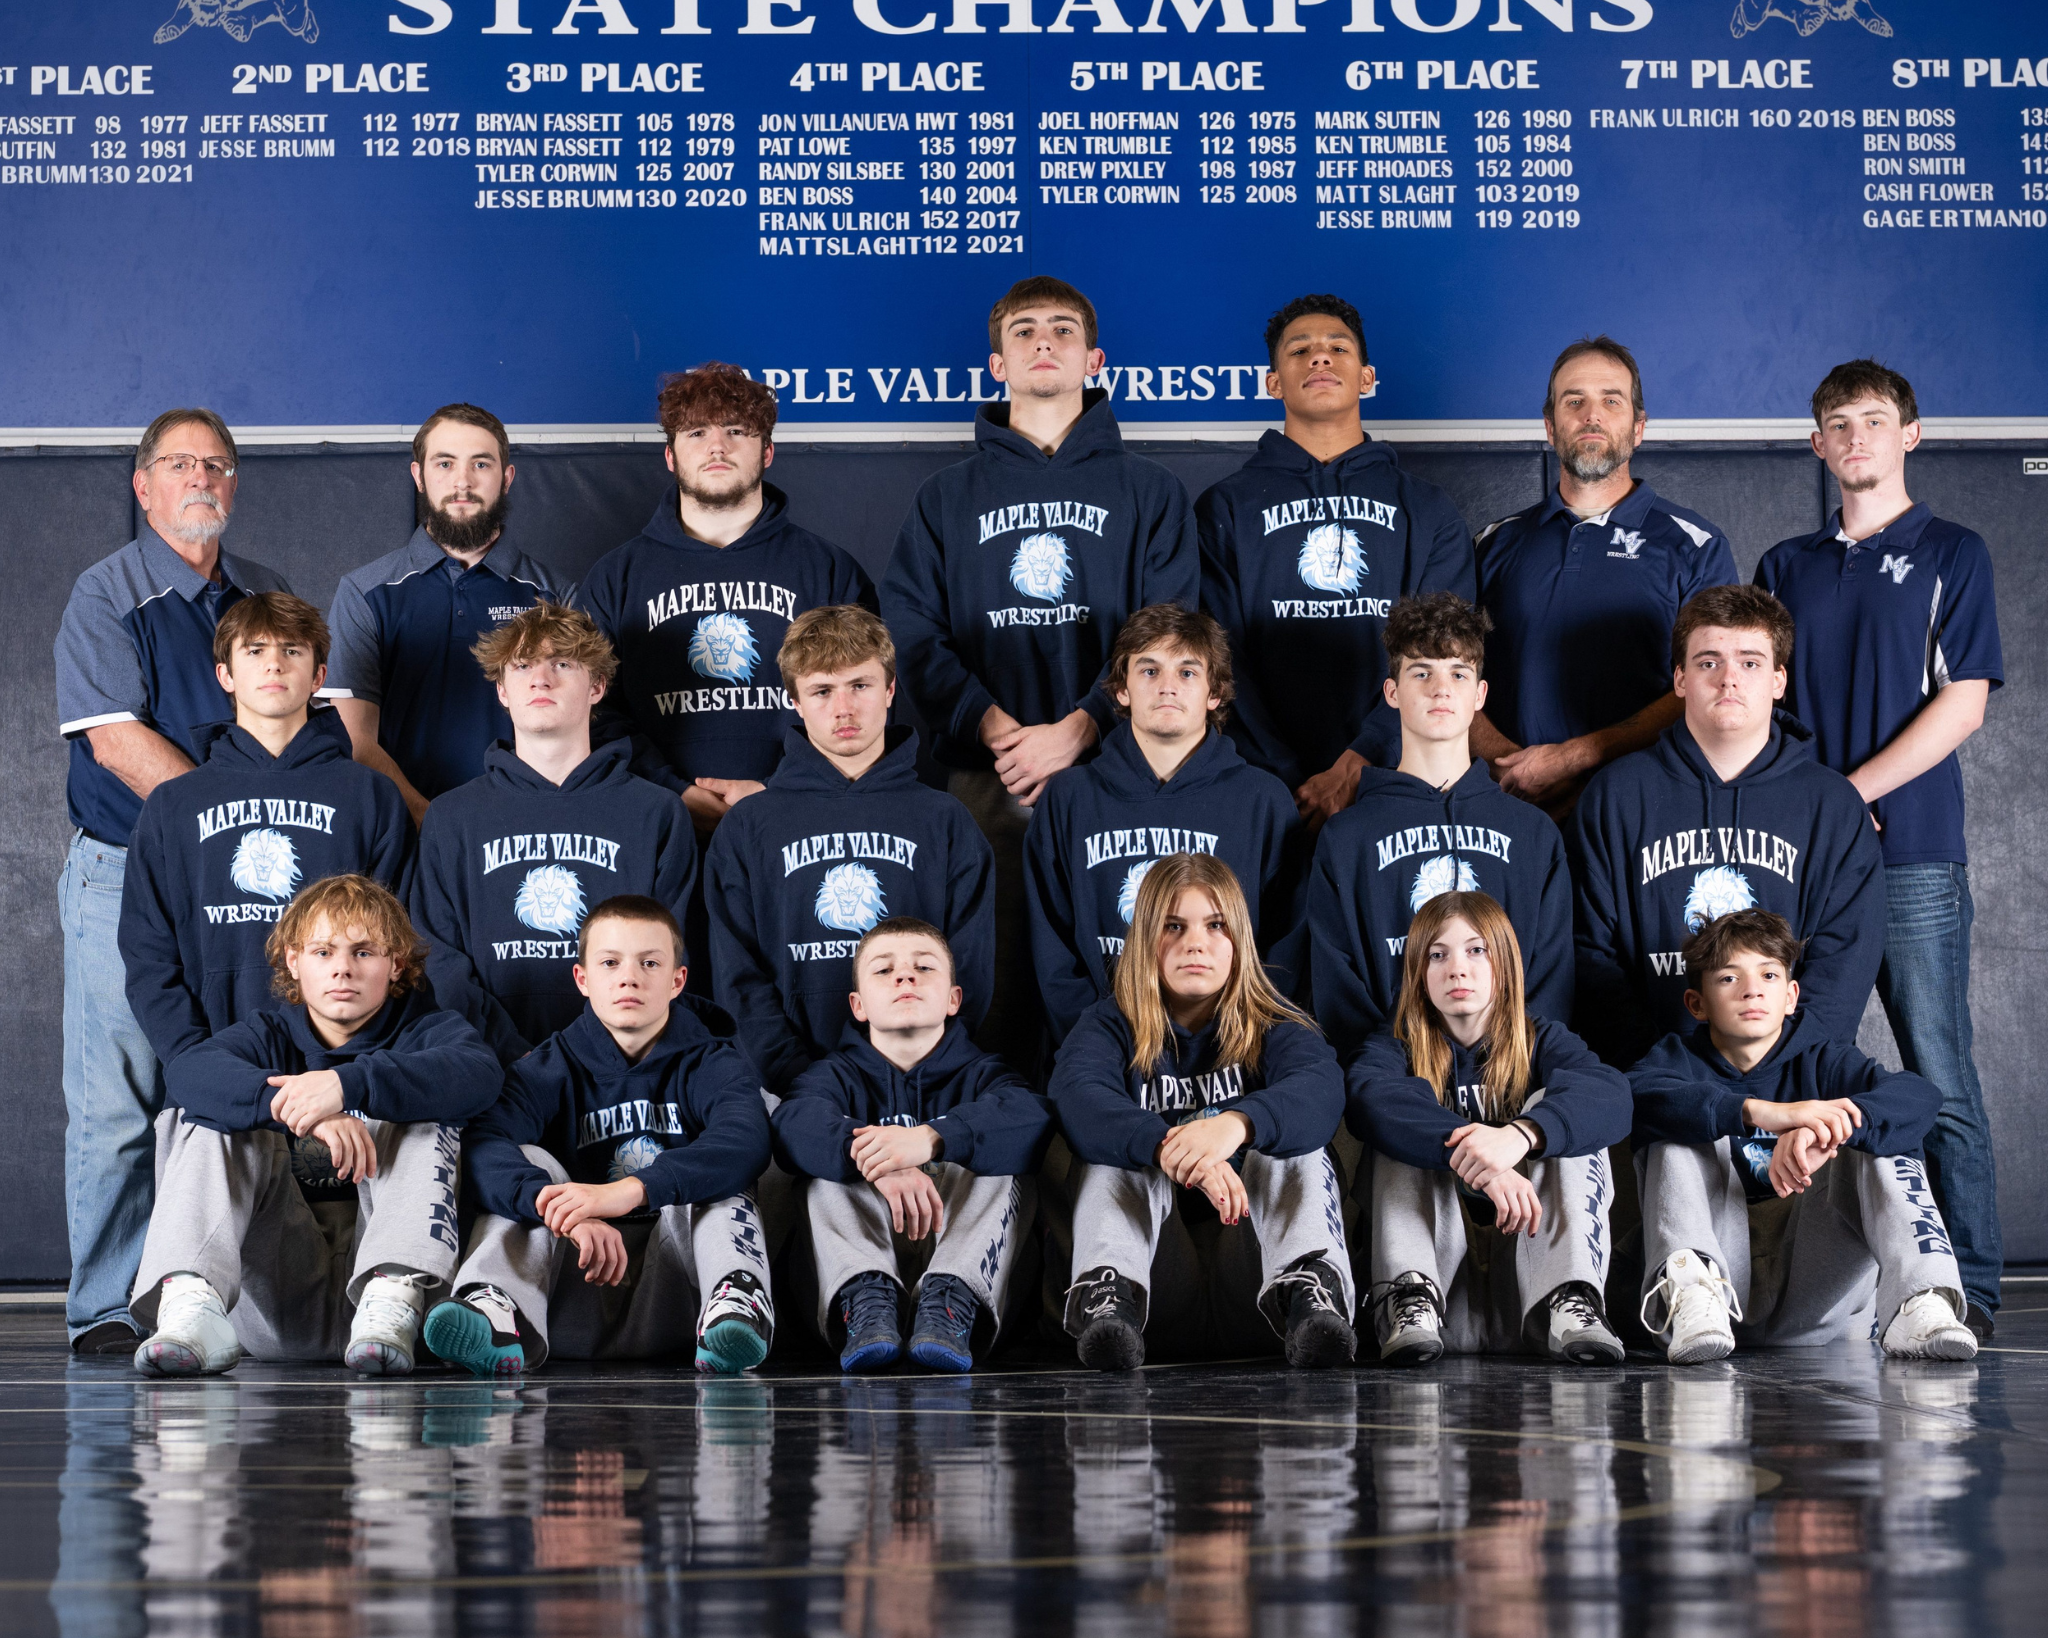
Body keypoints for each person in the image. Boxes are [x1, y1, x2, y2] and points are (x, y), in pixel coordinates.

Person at [881, 276, 1199, 1067]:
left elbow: (1167, 630)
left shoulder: (1152, 493)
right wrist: (998, 730)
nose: (1044, 341)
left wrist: (1082, 728)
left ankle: (1123, 1126)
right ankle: (995, 1136)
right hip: (988, 778)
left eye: (1063, 329)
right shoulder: (945, 498)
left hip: (1121, 772)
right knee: (992, 987)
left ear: (1095, 359)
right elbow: (913, 633)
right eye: (1024, 331)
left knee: (1122, 973)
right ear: (998, 364)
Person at [1754, 358, 2004, 1341]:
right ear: (1816, 445)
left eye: (1872, 419)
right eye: (1837, 423)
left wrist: (1851, 791)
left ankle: (1970, 1288)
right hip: (1806, 862)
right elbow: (1762, 707)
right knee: (1793, 1062)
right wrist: (1816, 807)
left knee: (1937, 1070)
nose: (1855, 436)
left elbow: (1963, 702)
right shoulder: (1784, 566)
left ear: (1910, 433)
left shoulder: (1952, 551)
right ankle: (1792, 1284)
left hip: (1912, 856)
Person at [54, 407, 294, 1355]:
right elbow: (118, 745)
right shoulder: (105, 594)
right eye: (180, 464)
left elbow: (297, 725)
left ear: (234, 484)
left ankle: (224, 1302)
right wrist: (239, 816)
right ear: (143, 485)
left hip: (248, 881)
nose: (201, 478)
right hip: (128, 873)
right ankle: (109, 1308)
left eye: (218, 465)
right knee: (120, 1102)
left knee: (239, 1077)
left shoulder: (266, 592)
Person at [127, 876, 502, 1376]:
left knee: (424, 1108)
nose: (343, 968)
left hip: (405, 1313)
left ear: (396, 964)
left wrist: (347, 1085)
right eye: (323, 952)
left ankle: (392, 1293)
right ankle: (191, 1307)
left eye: (363, 952)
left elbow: (480, 1076)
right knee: (206, 1117)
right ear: (293, 961)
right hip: (280, 1302)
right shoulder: (267, 1036)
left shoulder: (431, 1031)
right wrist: (305, 1108)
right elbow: (188, 1073)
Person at [423, 896, 776, 1377]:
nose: (629, 978)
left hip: (681, 1292)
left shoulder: (715, 1062)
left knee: (721, 1174)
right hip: (573, 1282)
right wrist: (559, 1209)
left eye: (649, 963)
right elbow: (483, 1143)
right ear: (582, 978)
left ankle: (736, 1305)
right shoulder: (546, 1067)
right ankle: (495, 1311)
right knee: (529, 1166)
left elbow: (745, 1141)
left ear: (677, 980)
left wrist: (628, 1191)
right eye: (610, 963)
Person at [1048, 854, 1355, 1371]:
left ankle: (1311, 1293)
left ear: (1239, 941)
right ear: (1145, 940)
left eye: (1215, 926)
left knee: (1295, 1141)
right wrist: (1169, 1147)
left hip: (1260, 1291)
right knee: (1111, 1151)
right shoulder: (1108, 1025)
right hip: (1152, 1294)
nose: (1195, 943)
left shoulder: (1275, 1023)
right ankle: (1107, 1295)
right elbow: (1077, 1095)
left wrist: (1234, 1126)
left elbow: (1320, 1090)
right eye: (1174, 926)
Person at [1629, 909, 1977, 1363]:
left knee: (1873, 1130)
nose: (1752, 989)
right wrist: (1762, 1113)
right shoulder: (1674, 1060)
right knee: (1675, 1126)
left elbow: (1919, 1096)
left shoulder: (1824, 1059)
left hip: (1814, 1289)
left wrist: (1824, 1131)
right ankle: (1692, 1293)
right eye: (1729, 978)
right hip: (1715, 1296)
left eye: (1769, 975)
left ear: (1791, 995)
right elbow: (1635, 1095)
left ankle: (1921, 1299)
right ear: (1697, 1004)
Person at [1571, 584, 1885, 1069]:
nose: (1728, 680)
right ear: (1680, 679)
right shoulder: (1615, 796)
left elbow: (1844, 963)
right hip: (1648, 1082)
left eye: (1750, 663)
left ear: (1779, 680)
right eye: (1708, 662)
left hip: (1791, 1085)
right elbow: (1589, 955)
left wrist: (1778, 1074)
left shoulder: (1833, 805)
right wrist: (1662, 1075)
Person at [1197, 293, 1475, 830]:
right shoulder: (1225, 508)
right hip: (1259, 787)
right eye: (1300, 350)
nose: (1320, 357)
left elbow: (1444, 655)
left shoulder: (1426, 509)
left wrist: (1359, 761)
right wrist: (1280, 776)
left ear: (1367, 377)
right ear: (1273, 383)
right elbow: (1218, 655)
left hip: (1396, 781)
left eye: (1338, 348)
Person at [573, 363, 874, 840]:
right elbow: (590, 710)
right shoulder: (616, 578)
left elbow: (866, 701)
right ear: (670, 456)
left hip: (802, 823)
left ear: (767, 451)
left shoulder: (828, 571)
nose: (717, 446)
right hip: (656, 829)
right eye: (696, 433)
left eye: (736, 430)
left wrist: (782, 790)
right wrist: (668, 791)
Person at [704, 606, 994, 1097]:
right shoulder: (749, 826)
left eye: (860, 685)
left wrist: (922, 1066)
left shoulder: (945, 820)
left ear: (890, 690)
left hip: (926, 1084)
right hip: (788, 1090)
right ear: (794, 701)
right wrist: (799, 1081)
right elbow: (737, 976)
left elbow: (969, 969)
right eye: (822, 691)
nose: (844, 709)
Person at [120, 593, 415, 1067]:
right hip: (214, 1062)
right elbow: (148, 954)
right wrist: (194, 1061)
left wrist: (355, 1067)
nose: (274, 664)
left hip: (344, 1069)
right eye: (255, 650)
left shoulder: (370, 796)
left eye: (292, 650)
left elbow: (399, 943)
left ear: (319, 676)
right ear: (226, 675)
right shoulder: (174, 805)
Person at [1347, 891, 1630, 1365]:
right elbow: (1368, 1099)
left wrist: (1520, 1135)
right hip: (1439, 1302)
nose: (1457, 969)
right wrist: (1484, 1165)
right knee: (1399, 1115)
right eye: (1437, 955)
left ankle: (1572, 1296)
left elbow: (1612, 1097)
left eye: (1476, 950)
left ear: (1505, 963)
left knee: (1565, 1112)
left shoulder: (1542, 1039)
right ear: (1418, 972)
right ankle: (1407, 1295)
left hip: (1530, 1293)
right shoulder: (1395, 1047)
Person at [411, 604, 699, 1065]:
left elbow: (670, 956)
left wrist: (598, 1056)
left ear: (597, 686)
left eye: (562, 664)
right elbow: (438, 958)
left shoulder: (657, 812)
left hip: (624, 1065)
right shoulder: (452, 816)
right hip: (488, 1066)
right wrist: (510, 1052)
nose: (541, 680)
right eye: (522, 666)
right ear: (502, 690)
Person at [771, 918, 1053, 1374]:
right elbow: (791, 1124)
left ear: (954, 999)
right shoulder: (832, 1076)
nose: (905, 976)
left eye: (924, 967)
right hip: (858, 1272)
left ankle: (952, 1300)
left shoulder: (986, 1075)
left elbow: (1033, 1118)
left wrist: (930, 1139)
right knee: (828, 1160)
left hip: (964, 1265)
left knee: (999, 1154)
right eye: (885, 970)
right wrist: (881, 1161)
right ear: (858, 1005)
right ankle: (865, 1297)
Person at [1469, 337, 1738, 814]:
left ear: (1638, 428)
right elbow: (1442, 670)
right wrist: (1509, 765)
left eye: (1611, 401)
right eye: (1574, 401)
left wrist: (1572, 759)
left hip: (1638, 813)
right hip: (1509, 806)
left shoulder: (1696, 546)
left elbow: (1712, 682)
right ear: (1550, 427)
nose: (1591, 416)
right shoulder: (1492, 543)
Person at [1024, 603, 1306, 1045]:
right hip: (1100, 1047)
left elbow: (1284, 943)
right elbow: (1050, 945)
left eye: (1187, 672)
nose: (1167, 686)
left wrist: (1238, 1036)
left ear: (1215, 693)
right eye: (1149, 670)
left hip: (1229, 1045)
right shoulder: (1070, 797)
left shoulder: (1262, 799)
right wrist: (1095, 1041)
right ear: (1121, 689)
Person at [1308, 593, 1573, 1061]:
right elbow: (1339, 994)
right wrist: (1388, 1078)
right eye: (1421, 672)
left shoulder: (1533, 834)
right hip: (1390, 1083)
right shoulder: (1346, 838)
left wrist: (1512, 1070)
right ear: (1392, 693)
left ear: (1479, 695)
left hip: (1511, 1079)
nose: (1440, 689)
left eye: (1458, 673)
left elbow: (1550, 986)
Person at [327, 403, 570, 821]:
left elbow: (572, 734)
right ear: (419, 476)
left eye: (481, 464)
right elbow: (356, 742)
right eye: (445, 463)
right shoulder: (363, 594)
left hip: (520, 827)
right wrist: (430, 823)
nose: (463, 481)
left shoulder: (557, 596)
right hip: (404, 830)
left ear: (507, 478)